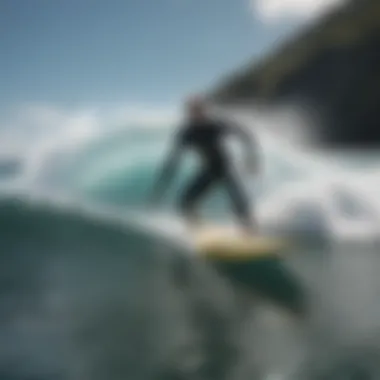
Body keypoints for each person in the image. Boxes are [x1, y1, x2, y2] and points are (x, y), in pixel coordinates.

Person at [149, 95, 260, 234]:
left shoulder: (215, 125)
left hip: (225, 168)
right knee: (185, 202)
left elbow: (245, 135)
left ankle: (251, 231)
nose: (197, 114)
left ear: (204, 110)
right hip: (208, 171)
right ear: (189, 113)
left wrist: (252, 159)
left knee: (239, 203)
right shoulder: (187, 133)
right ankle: (198, 231)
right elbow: (173, 161)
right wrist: (160, 187)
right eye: (193, 111)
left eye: (199, 110)